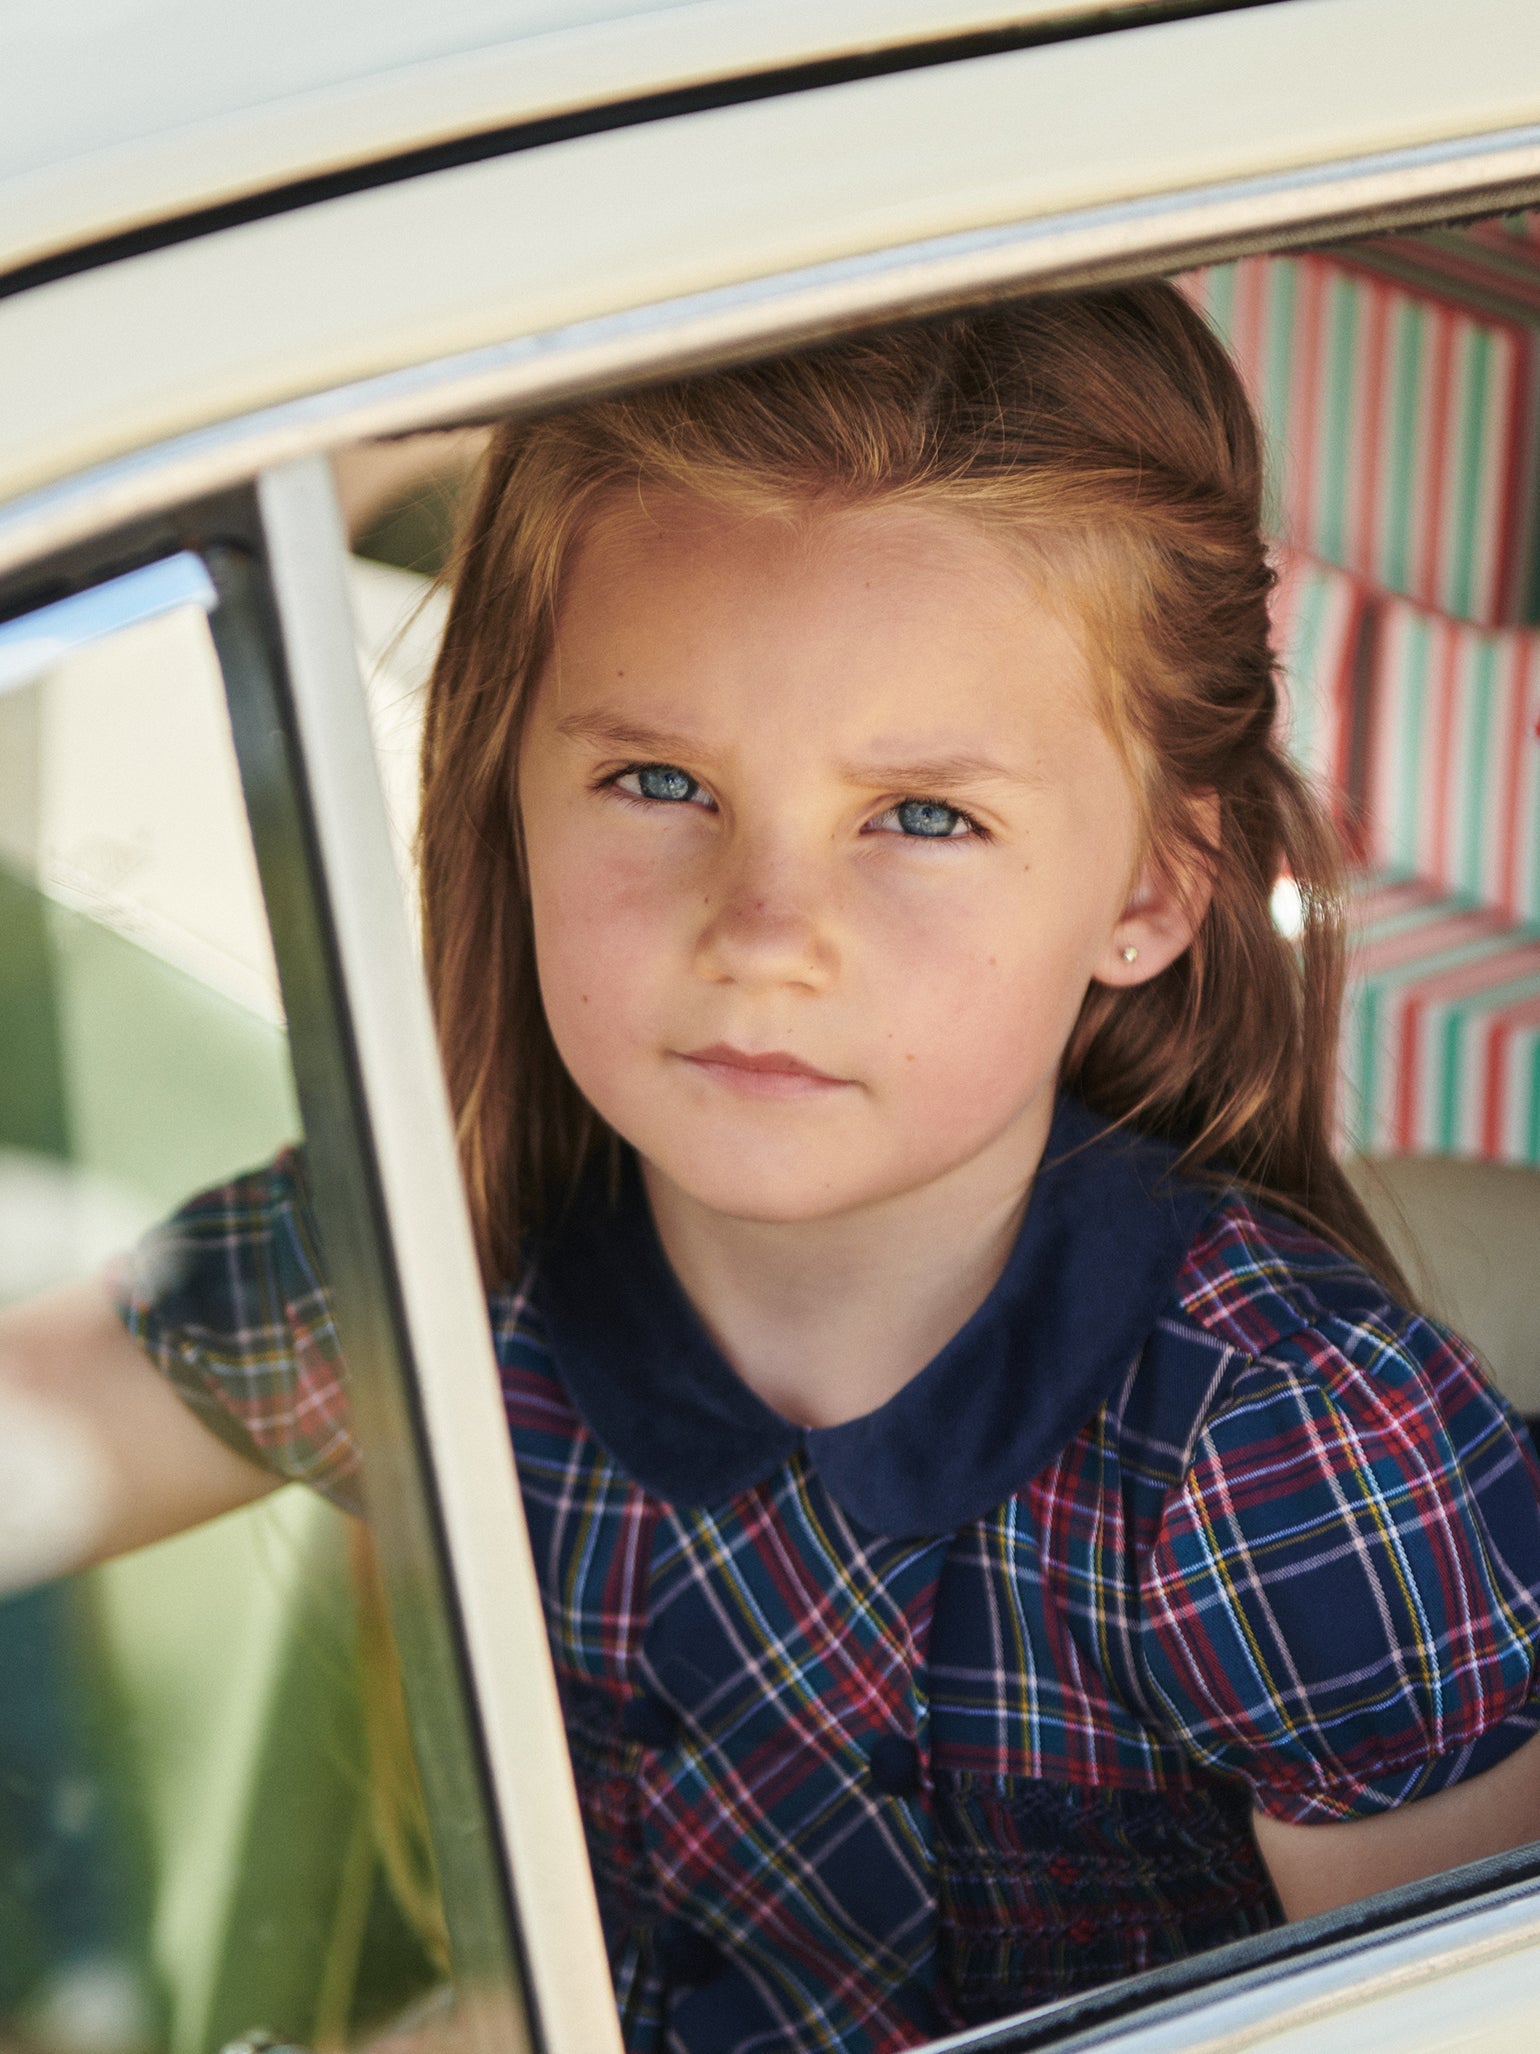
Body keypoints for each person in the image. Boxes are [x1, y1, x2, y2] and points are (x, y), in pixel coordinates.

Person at [5, 285, 1540, 2054]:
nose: (765, 934)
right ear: (506, 780)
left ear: (1149, 891)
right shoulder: (450, 1260)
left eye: (923, 816)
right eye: (659, 777)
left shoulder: (1283, 1452)